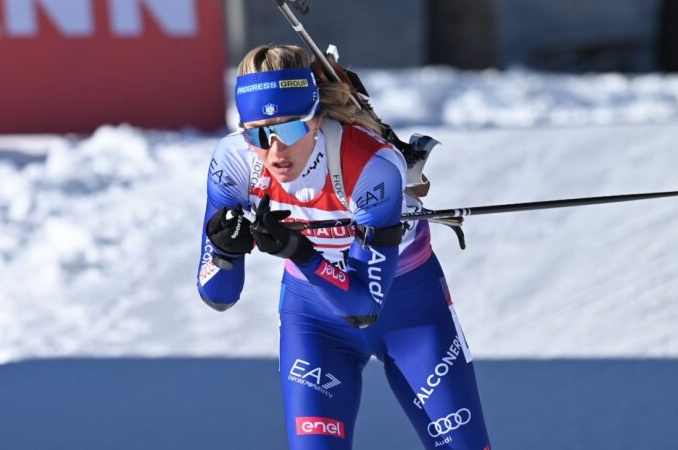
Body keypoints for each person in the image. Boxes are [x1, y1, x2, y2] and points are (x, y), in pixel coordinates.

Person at [197, 44, 491, 449]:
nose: (275, 151)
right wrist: (226, 250)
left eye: (290, 128)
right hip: (314, 323)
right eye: (259, 134)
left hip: (410, 313)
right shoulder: (235, 162)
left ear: (316, 120)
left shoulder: (368, 165)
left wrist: (299, 251)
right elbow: (217, 294)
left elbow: (365, 306)